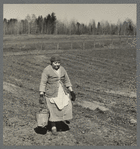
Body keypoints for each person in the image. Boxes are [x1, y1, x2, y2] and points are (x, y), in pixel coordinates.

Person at [39, 55, 76, 135]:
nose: (57, 65)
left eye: (58, 63)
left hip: (61, 91)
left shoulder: (62, 69)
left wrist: (71, 91)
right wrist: (41, 94)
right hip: (51, 93)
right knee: (52, 109)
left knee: (65, 106)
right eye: (55, 63)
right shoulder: (47, 70)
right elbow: (43, 82)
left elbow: (67, 80)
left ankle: (59, 122)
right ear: (51, 63)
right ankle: (53, 127)